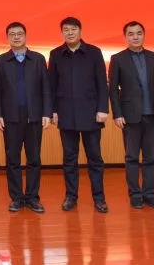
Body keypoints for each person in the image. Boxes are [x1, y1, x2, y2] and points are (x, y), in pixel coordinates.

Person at [49, 17, 109, 213]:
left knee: (95, 158)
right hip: (65, 114)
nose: (70, 33)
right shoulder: (56, 54)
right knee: (69, 159)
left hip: (91, 114)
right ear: (62, 33)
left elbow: (102, 83)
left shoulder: (94, 52)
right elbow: (51, 86)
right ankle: (71, 196)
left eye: (73, 29)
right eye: (66, 29)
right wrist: (53, 111)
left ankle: (99, 198)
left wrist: (103, 108)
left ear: (80, 31)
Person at [109, 21, 154, 210]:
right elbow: (113, 90)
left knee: (151, 157)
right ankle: (135, 194)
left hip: (153, 115)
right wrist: (117, 114)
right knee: (132, 158)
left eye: (139, 33)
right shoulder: (117, 59)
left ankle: (149, 195)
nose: (135, 37)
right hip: (129, 117)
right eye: (131, 34)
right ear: (125, 37)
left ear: (144, 35)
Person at [0, 22, 51, 214]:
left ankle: (33, 198)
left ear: (25, 36)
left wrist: (47, 113)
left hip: (34, 116)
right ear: (7, 38)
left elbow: (46, 88)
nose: (16, 37)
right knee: (12, 160)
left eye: (19, 34)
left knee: (34, 159)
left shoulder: (38, 59)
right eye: (12, 34)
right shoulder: (1, 61)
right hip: (10, 118)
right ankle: (16, 198)